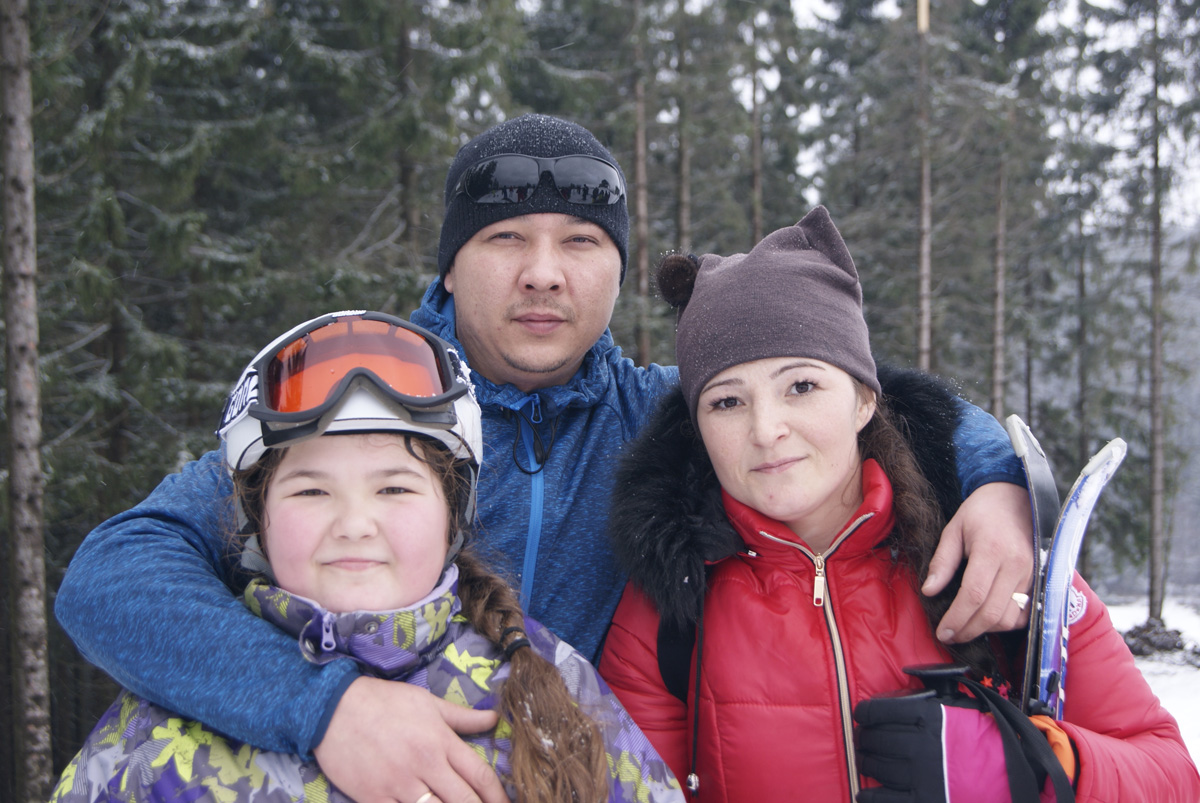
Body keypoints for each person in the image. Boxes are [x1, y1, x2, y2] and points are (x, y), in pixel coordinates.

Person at [57, 114, 1037, 803]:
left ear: (618, 267)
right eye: (504, 238)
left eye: (580, 240)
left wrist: (993, 479)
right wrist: (324, 707)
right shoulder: (367, 407)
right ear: (450, 264)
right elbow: (111, 572)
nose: (543, 272)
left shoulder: (669, 414)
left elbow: (868, 399)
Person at [597, 207, 1199, 802]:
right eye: (726, 402)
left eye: (802, 386)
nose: (766, 429)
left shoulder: (993, 559)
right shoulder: (669, 607)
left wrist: (1036, 766)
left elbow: (1172, 776)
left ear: (864, 400)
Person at [51, 310, 683, 803]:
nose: (354, 524)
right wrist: (320, 706)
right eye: (311, 491)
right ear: (254, 520)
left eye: (394, 489)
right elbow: (106, 572)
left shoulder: (553, 692)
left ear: (455, 514)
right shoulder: (165, 722)